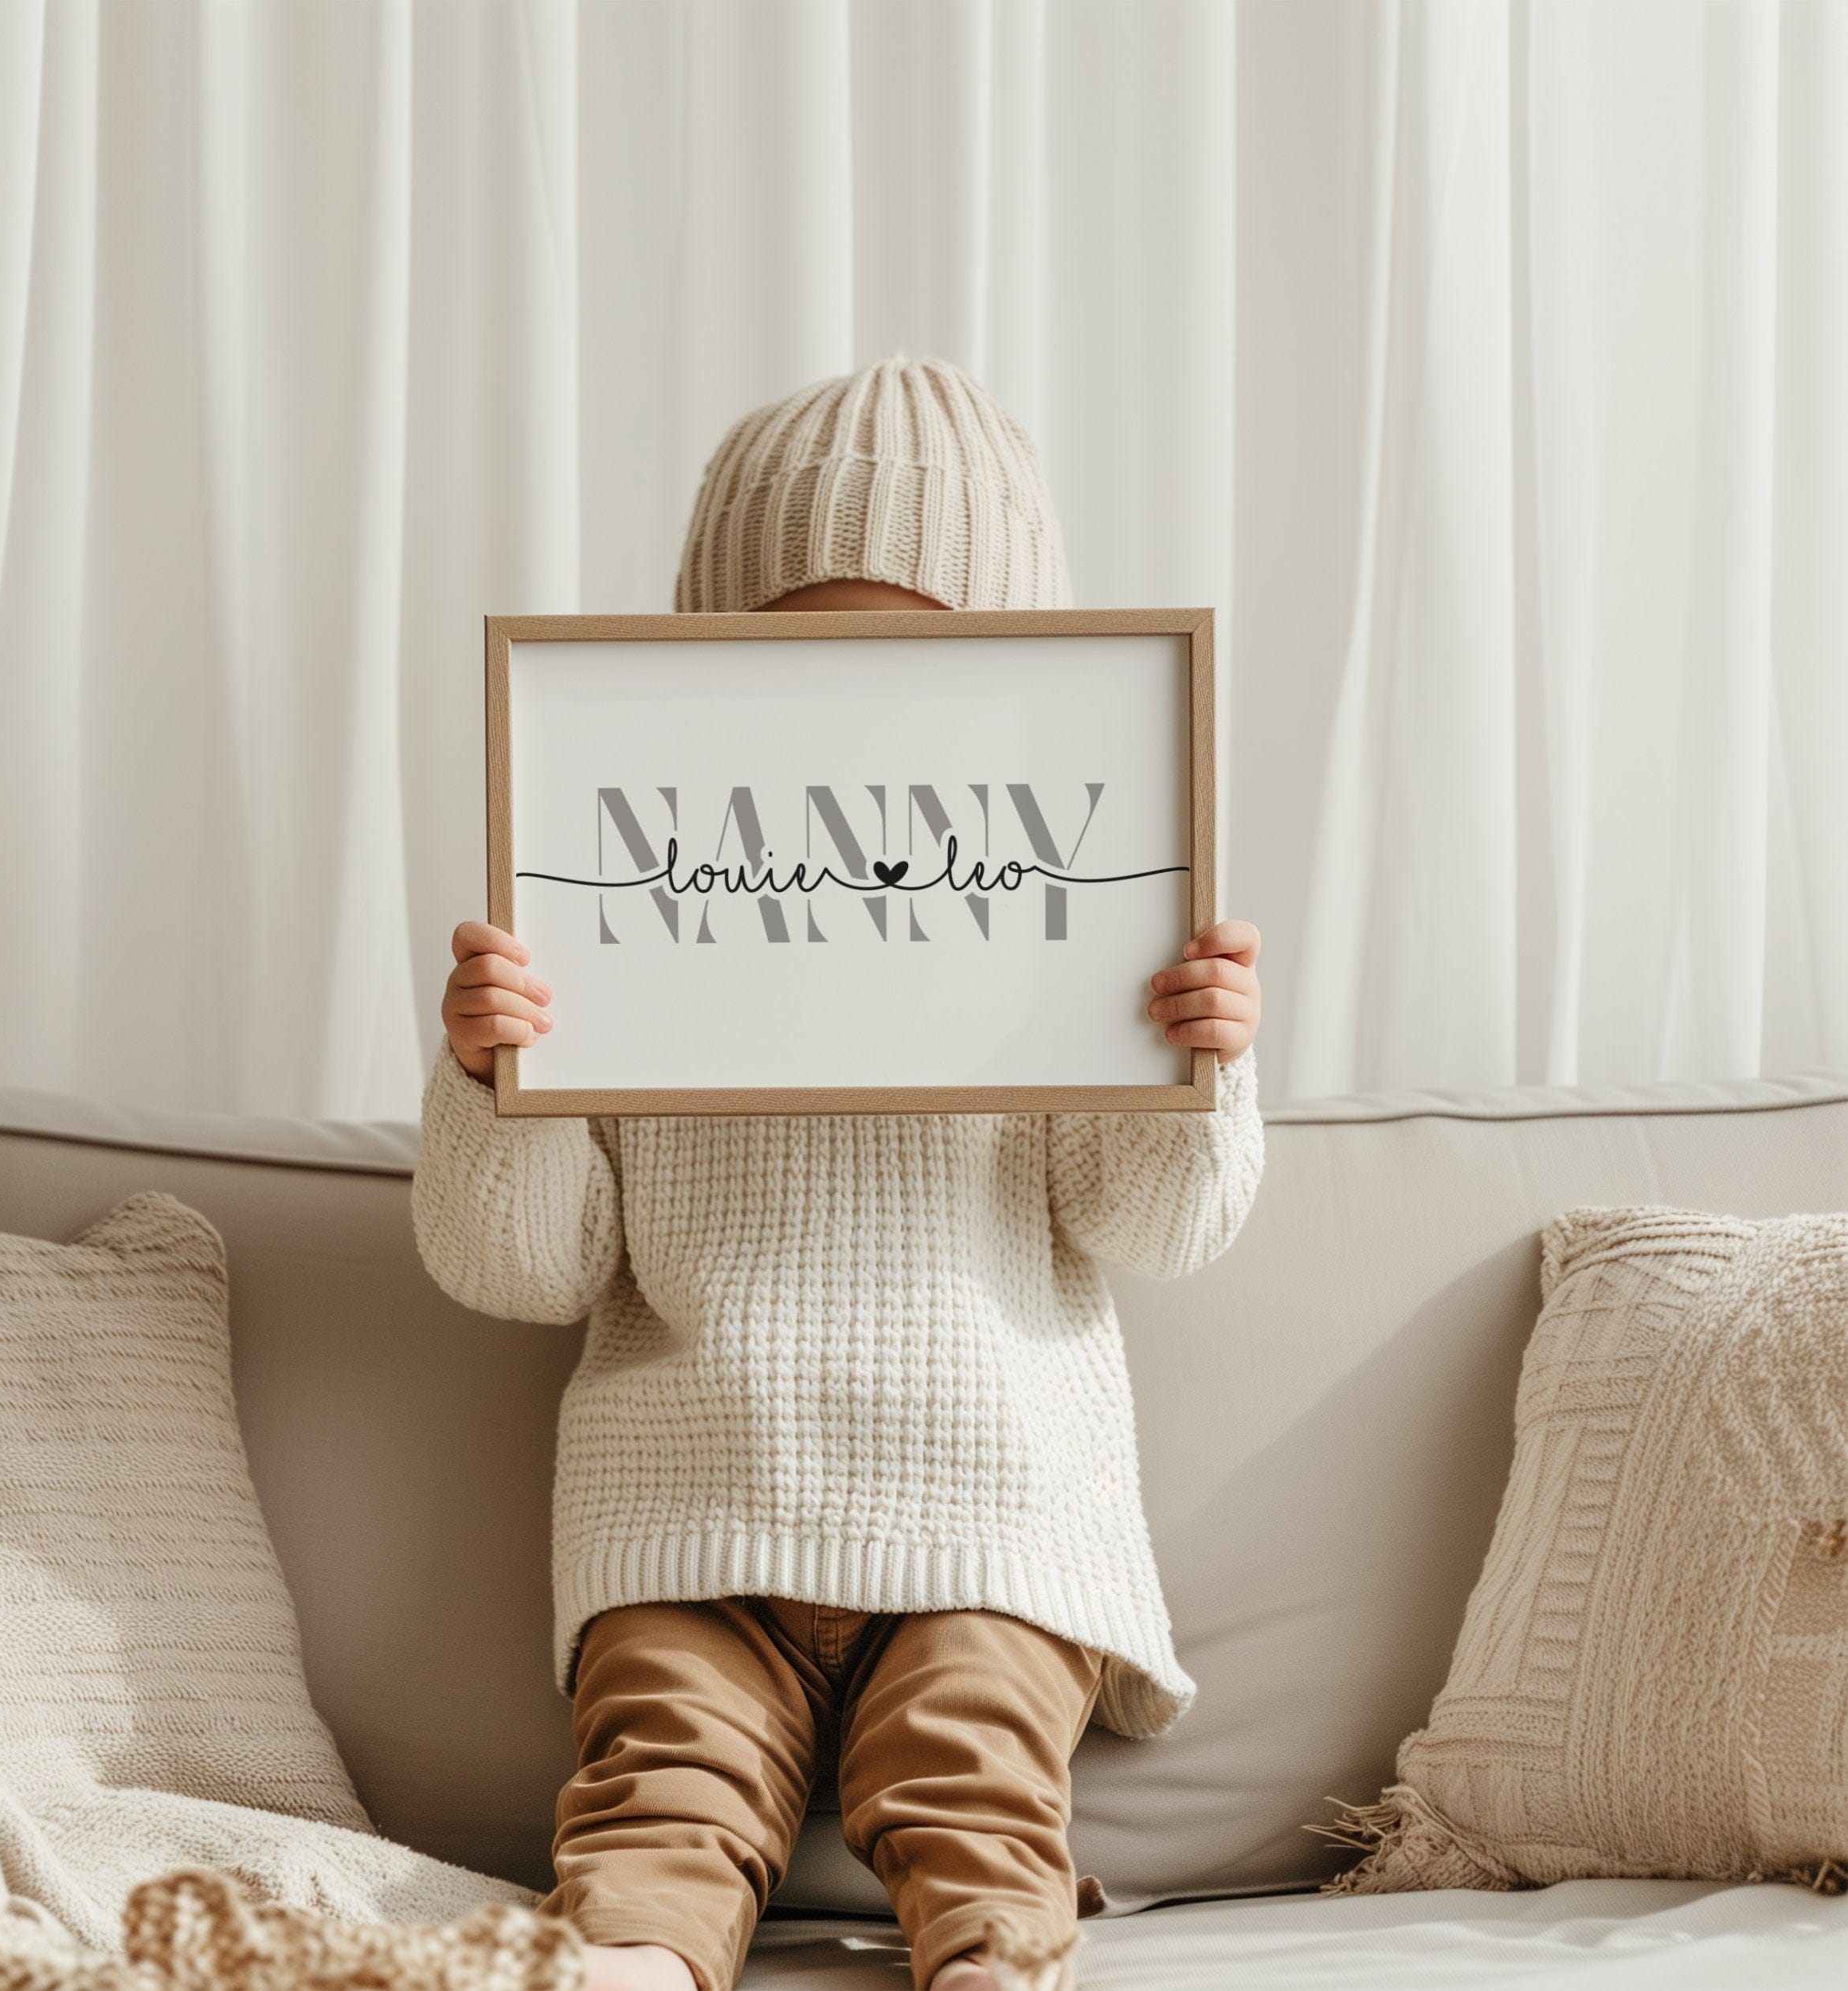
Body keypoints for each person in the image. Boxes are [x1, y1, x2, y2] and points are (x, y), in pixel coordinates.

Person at [413, 356, 1265, 1991]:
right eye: (802, 657)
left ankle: (993, 1962)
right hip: (688, 1515)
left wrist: (1191, 1055)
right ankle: (632, 1965)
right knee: (658, 1795)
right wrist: (488, 1076)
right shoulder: (604, 909)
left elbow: (1153, 1222)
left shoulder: (1077, 905)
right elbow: (519, 1267)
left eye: (915, 663)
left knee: (975, 1790)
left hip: (990, 1514)